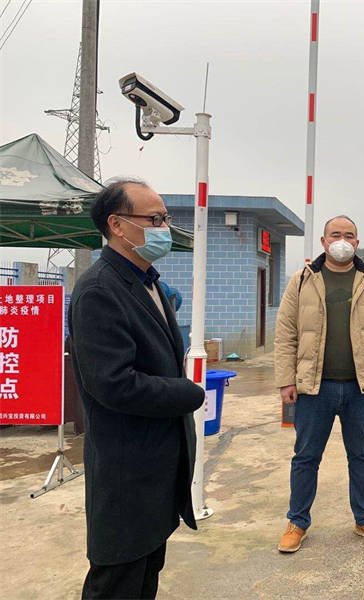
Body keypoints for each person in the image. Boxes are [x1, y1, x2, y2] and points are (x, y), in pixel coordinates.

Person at [69, 179, 205, 599]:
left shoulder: (147, 281)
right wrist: (188, 393)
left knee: (145, 578)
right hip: (127, 473)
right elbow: (114, 384)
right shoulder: (99, 290)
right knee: (117, 583)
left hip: (156, 470)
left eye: (165, 218)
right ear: (118, 225)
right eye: (155, 219)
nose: (164, 228)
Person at [274, 215, 364, 552]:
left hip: (360, 388)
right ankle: (297, 522)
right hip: (313, 388)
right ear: (324, 241)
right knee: (305, 457)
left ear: (357, 242)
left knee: (362, 455)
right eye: (335, 235)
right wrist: (286, 380)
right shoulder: (303, 279)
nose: (342, 241)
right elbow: (285, 332)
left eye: (349, 235)